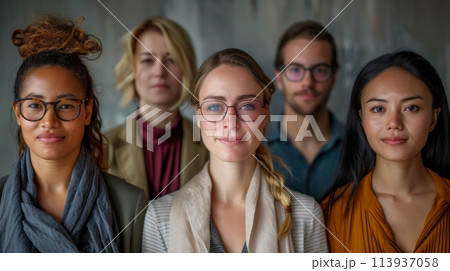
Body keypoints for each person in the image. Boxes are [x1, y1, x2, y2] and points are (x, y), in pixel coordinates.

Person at [142, 48, 328, 253]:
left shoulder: (306, 215)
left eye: (247, 106)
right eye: (214, 107)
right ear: (198, 114)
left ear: (265, 113)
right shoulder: (159, 218)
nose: (231, 123)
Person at [0, 15, 145, 252]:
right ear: (18, 112)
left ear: (87, 112)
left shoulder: (129, 203)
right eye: (35, 105)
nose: (49, 121)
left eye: (66, 105)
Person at [323, 51, 450, 253]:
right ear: (362, 119)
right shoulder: (327, 215)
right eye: (378, 109)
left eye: (411, 108)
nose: (394, 123)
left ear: (433, 119)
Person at [106, 17, 208, 201]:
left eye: (171, 59)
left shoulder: (211, 146)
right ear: (132, 69)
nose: (159, 71)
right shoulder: (101, 148)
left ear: (186, 67)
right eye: (147, 60)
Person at [266, 21, 344, 202]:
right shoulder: (255, 147)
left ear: (333, 78)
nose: (308, 82)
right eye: (295, 70)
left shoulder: (363, 146)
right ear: (279, 78)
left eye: (320, 70)